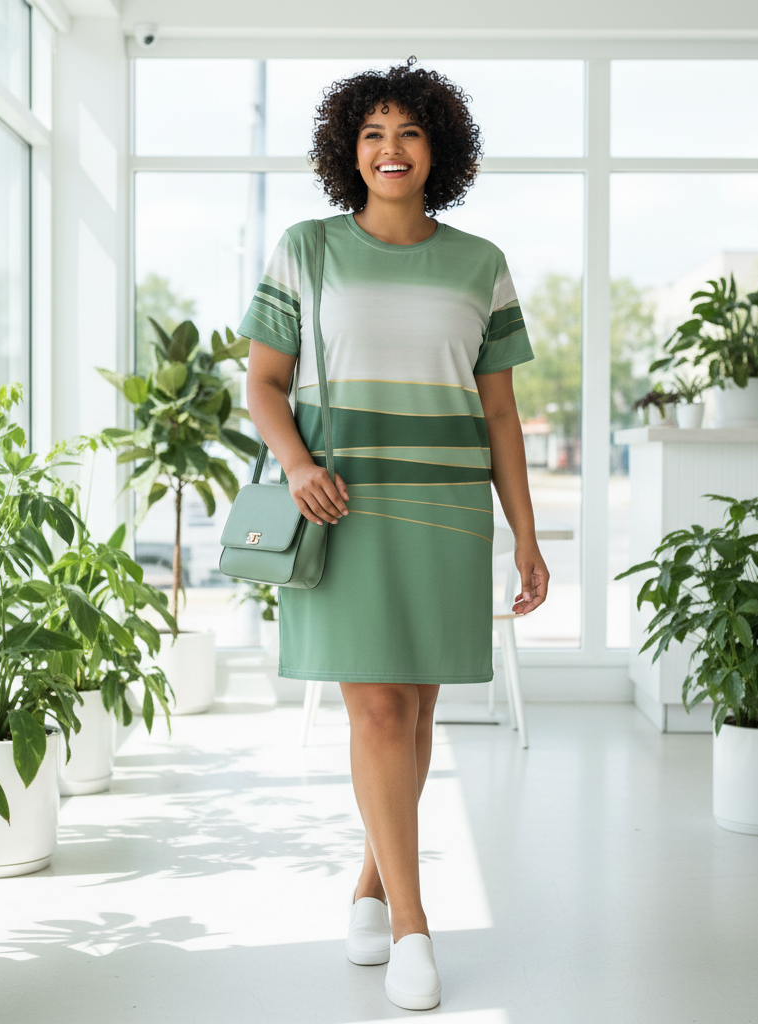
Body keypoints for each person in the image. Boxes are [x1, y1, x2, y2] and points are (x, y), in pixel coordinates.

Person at [241, 59, 549, 1011]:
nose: (390, 149)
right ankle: (416, 926)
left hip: (447, 509)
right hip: (344, 503)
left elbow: (501, 417)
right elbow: (262, 385)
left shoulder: (480, 263)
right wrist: (296, 465)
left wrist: (527, 538)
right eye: (373, 133)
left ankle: (373, 885)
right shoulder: (306, 248)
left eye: (409, 132)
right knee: (375, 713)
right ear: (348, 149)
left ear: (437, 149)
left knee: (414, 712)